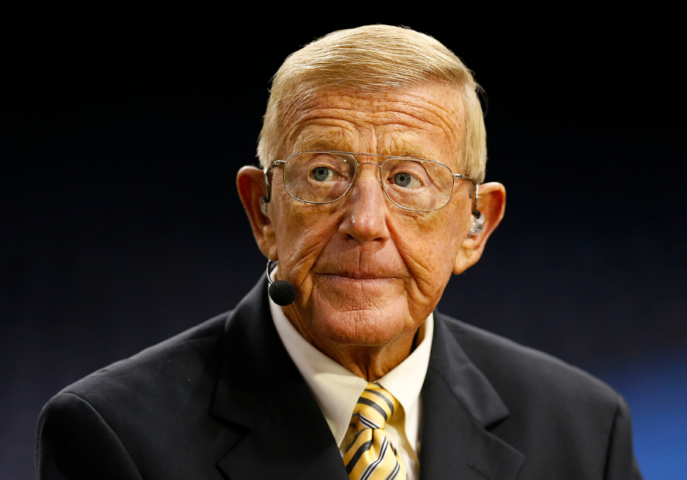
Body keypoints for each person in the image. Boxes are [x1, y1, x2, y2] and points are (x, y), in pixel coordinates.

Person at [36, 25, 643, 480]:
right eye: (323, 173)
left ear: (475, 225)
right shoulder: (114, 436)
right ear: (263, 210)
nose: (365, 222)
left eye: (407, 179)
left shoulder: (585, 431)